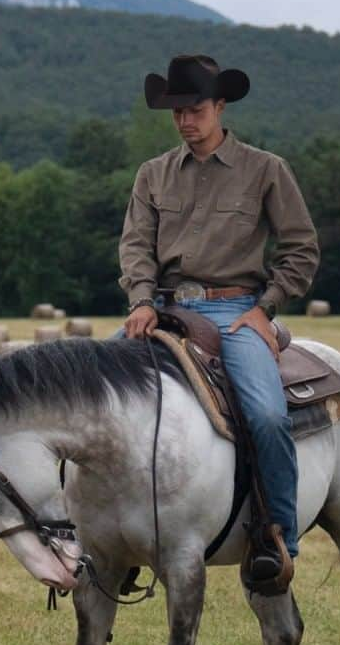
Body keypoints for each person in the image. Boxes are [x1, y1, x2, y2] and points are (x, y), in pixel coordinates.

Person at [118, 53, 320, 589]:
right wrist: (140, 299)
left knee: (268, 416)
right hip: (161, 309)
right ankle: (105, 537)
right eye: (177, 111)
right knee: (94, 398)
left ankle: (277, 536)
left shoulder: (265, 170)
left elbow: (301, 249)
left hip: (235, 313)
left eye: (196, 108)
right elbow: (136, 247)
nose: (186, 120)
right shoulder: (152, 175)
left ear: (220, 107)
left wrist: (266, 307)